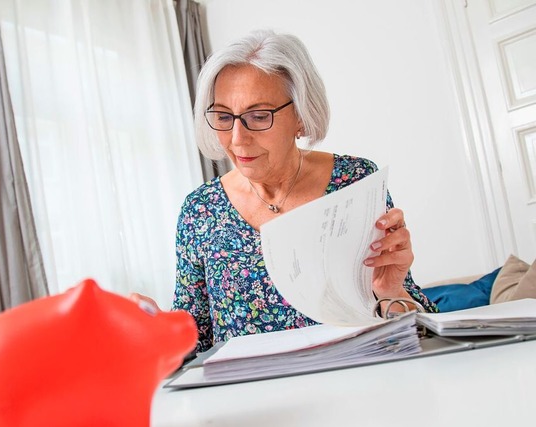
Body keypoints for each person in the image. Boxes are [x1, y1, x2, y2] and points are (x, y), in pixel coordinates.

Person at [131, 29, 438, 353]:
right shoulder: (200, 210)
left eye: (258, 116)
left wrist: (390, 291)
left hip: (358, 385)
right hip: (255, 399)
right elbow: (194, 343)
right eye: (223, 116)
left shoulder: (356, 180)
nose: (237, 138)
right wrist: (154, 333)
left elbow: (422, 333)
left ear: (301, 116)